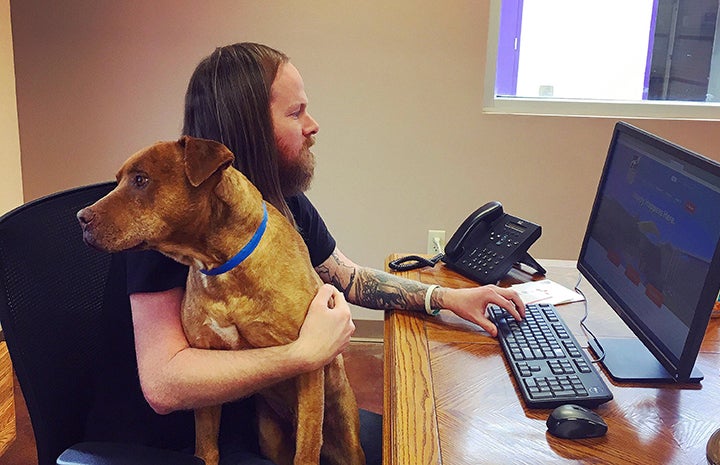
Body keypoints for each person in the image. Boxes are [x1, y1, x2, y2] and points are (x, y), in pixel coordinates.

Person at [117, 42, 525, 465]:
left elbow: (348, 277)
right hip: (185, 444)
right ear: (250, 129)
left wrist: (445, 298)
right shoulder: (169, 227)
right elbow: (163, 385)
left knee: (419, 448)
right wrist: (302, 355)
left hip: (280, 418)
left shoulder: (278, 205)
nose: (312, 125)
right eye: (295, 113)